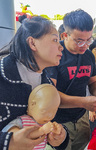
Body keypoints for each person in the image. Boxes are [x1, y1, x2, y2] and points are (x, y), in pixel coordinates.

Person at [0, 16, 68, 150]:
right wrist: (7, 142)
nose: (61, 47)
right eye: (55, 40)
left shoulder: (47, 82)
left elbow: (48, 121)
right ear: (32, 43)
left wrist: (60, 135)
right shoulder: (2, 74)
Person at [47, 9, 96, 150]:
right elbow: (51, 95)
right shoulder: (54, 55)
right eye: (79, 41)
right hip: (59, 122)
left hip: (82, 118)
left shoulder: (88, 55)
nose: (85, 46)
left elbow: (93, 81)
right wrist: (84, 102)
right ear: (64, 35)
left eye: (88, 40)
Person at [2, 84, 67, 149]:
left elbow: (52, 140)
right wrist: (41, 131)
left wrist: (55, 133)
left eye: (54, 111)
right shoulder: (23, 120)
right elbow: (18, 136)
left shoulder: (45, 123)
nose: (50, 116)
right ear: (33, 105)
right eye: (44, 111)